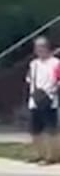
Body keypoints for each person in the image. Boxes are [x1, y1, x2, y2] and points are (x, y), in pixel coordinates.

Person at [25, 35, 60, 164]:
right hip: (35, 99)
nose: (39, 49)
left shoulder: (56, 63)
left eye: (42, 46)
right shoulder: (33, 64)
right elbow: (29, 79)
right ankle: (38, 154)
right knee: (35, 130)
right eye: (37, 47)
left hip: (50, 99)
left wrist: (54, 90)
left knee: (51, 130)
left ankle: (52, 156)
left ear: (47, 47)